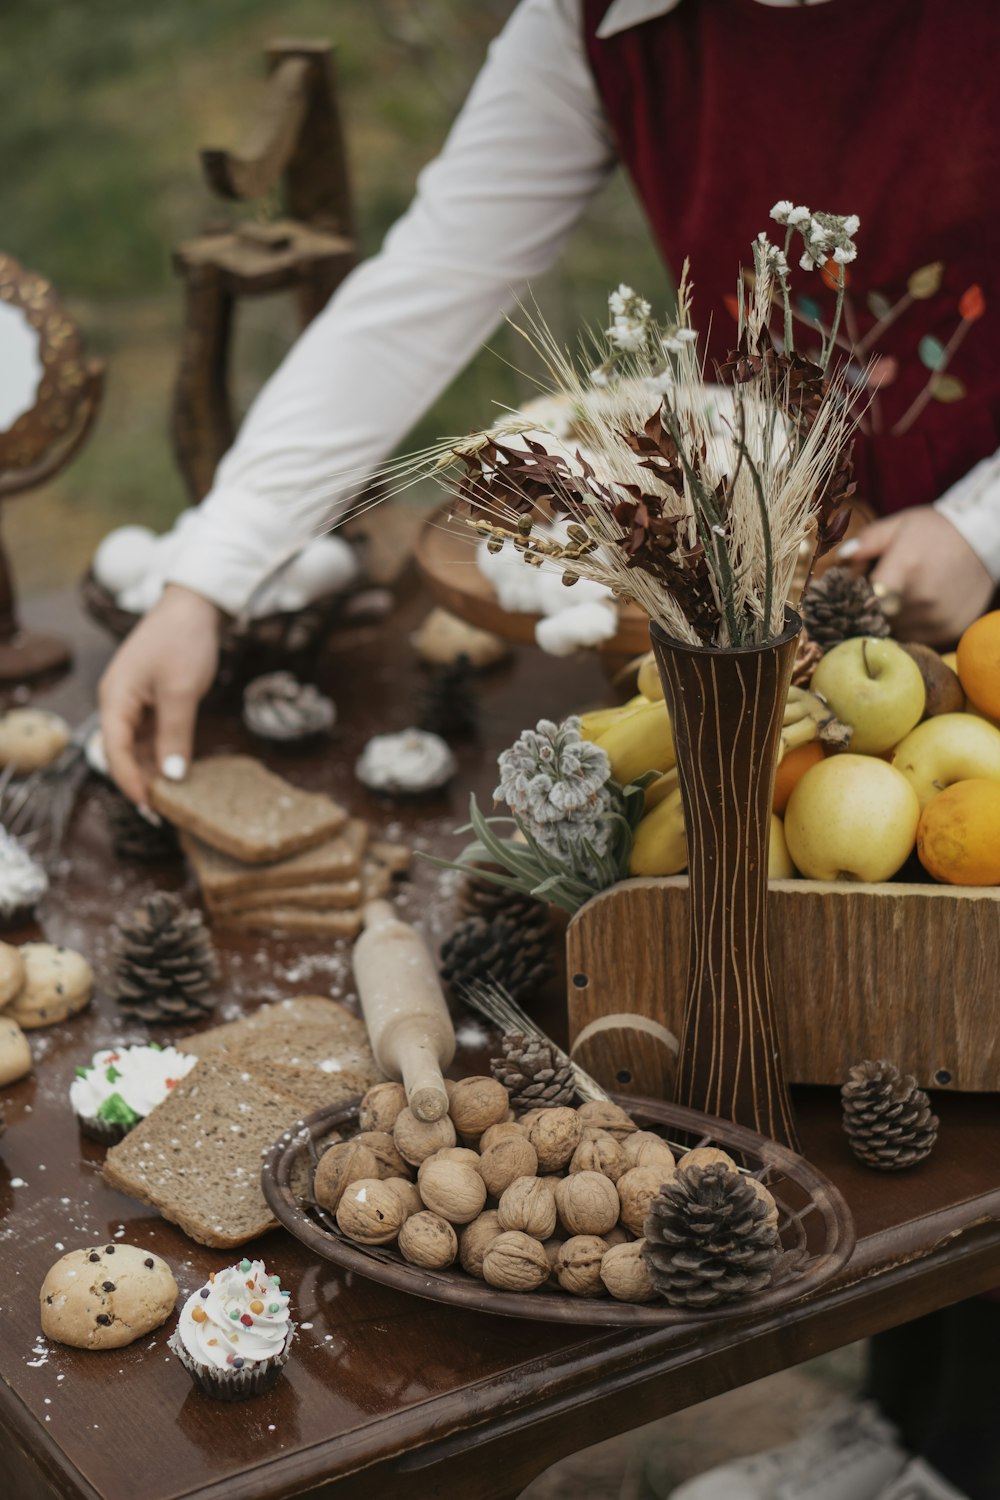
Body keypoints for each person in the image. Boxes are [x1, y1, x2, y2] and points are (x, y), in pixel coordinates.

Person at [98, 4, 999, 1497]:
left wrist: (977, 531)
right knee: (903, 1017)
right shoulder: (603, 24)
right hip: (829, 609)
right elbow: (431, 282)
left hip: (973, 579)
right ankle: (917, 1439)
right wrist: (208, 575)